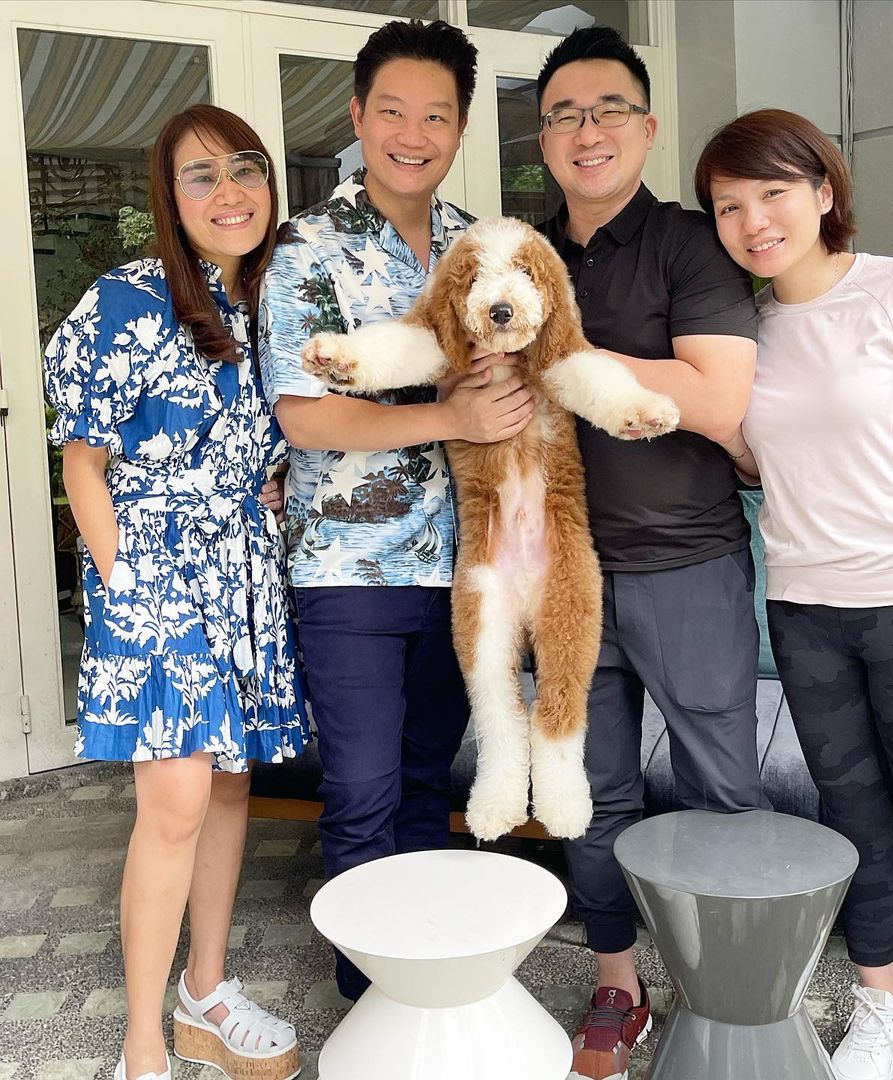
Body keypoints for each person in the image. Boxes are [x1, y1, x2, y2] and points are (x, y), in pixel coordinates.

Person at [696, 108, 893, 1080]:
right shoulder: (749, 329)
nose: (753, 221)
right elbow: (762, 463)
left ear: (824, 191)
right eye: (728, 206)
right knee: (850, 814)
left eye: (773, 193)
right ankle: (877, 1000)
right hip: (805, 610)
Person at [259, 19, 533, 1002]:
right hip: (349, 570)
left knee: (426, 784)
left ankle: (421, 989)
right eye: (392, 112)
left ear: (460, 127)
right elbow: (303, 413)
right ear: (357, 115)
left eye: (436, 117)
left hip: (464, 571)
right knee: (364, 791)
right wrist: (448, 414)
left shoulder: (482, 247)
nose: (412, 135)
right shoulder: (306, 247)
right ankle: (370, 998)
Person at [44, 105, 308, 1080]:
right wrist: (125, 588)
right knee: (177, 797)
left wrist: (272, 486)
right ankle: (143, 1049)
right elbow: (81, 464)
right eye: (202, 175)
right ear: (170, 196)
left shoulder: (273, 301)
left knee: (230, 782)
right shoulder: (127, 298)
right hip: (152, 566)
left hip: (243, 564)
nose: (229, 192)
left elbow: (279, 435)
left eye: (246, 168)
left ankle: (205, 992)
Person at [534, 27, 769, 1080]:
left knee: (722, 787)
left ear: (647, 127)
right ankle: (618, 986)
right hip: (566, 575)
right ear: (542, 138)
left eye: (608, 110)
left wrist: (567, 352)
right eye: (564, 115)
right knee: (589, 793)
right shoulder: (525, 257)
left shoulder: (689, 244)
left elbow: (717, 399)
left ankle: (728, 993)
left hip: (687, 567)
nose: (587, 132)